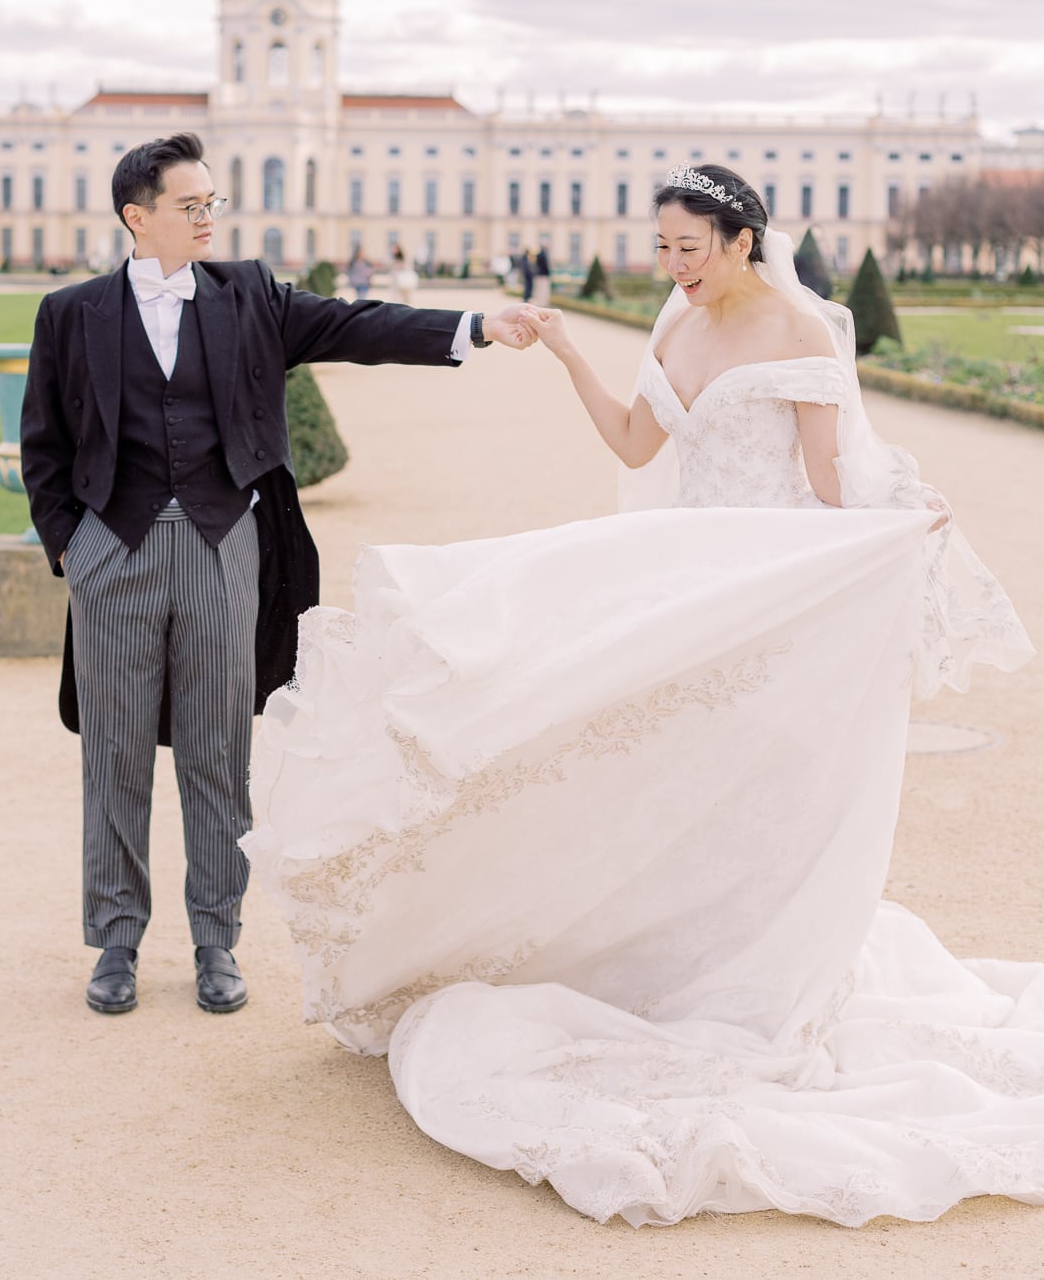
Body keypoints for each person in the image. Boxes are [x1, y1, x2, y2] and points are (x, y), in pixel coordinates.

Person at [241, 163, 1044, 1227]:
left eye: (689, 250)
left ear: (742, 240)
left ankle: (736, 974)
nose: (674, 269)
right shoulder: (675, 330)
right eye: (663, 250)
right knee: (624, 748)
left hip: (762, 593)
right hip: (683, 573)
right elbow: (633, 443)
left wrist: (904, 512)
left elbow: (828, 487)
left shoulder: (806, 338)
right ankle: (656, 959)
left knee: (747, 786)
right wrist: (575, 352)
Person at [19, 132, 534, 1019]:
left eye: (212, 202)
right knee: (114, 753)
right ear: (138, 217)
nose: (208, 216)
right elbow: (44, 446)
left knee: (221, 751)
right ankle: (116, 937)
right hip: (115, 551)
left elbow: (355, 323)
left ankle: (217, 937)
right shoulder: (73, 314)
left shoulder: (249, 293)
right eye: (191, 205)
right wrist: (73, 545)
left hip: (225, 546)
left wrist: (476, 327)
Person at [532, 243, 551, 307]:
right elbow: (546, 266)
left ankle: (539, 302)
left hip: (538, 274)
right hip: (544, 275)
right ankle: (543, 303)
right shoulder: (545, 255)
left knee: (538, 290)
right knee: (543, 290)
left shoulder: (538, 255)